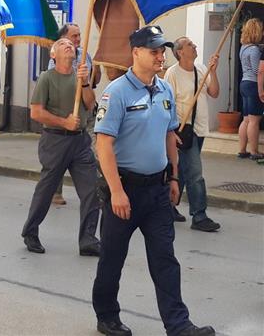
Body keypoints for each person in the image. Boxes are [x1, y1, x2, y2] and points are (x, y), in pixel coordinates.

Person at [92, 25, 214, 336]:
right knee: (112, 259)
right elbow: (103, 144)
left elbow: (169, 135)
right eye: (154, 50)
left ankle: (178, 324)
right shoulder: (116, 92)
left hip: (158, 191)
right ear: (136, 53)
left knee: (165, 260)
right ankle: (107, 316)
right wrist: (117, 192)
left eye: (162, 50)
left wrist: (173, 176)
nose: (161, 56)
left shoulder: (165, 90)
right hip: (125, 191)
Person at [21, 38, 100, 256]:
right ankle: (30, 231)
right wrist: (63, 122)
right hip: (55, 140)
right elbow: (36, 112)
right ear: (53, 55)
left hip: (80, 141)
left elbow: (90, 103)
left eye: (70, 44)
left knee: (92, 190)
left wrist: (85, 83)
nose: (69, 45)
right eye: (63, 43)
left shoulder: (79, 77)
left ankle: (88, 239)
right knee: (46, 189)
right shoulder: (47, 78)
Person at [164, 37, 221, 232]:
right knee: (195, 173)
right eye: (190, 45)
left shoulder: (201, 69)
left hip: (200, 129)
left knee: (181, 170)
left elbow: (214, 93)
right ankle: (199, 215)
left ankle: (168, 207)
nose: (195, 46)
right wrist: (170, 130)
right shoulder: (172, 74)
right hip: (183, 130)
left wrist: (213, 70)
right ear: (180, 52)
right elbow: (166, 103)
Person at [47, 23, 102, 205]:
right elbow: (54, 83)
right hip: (66, 113)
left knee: (95, 151)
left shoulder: (85, 54)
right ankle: (55, 191)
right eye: (74, 36)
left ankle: (97, 191)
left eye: (79, 35)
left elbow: (94, 81)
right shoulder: (56, 56)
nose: (78, 39)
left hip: (87, 111)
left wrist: (96, 69)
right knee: (61, 155)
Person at [237, 18, 262, 160]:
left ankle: (242, 149)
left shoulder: (243, 47)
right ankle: (254, 151)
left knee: (246, 119)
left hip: (244, 83)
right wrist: (261, 89)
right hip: (253, 85)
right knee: (254, 120)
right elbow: (257, 70)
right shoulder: (254, 50)